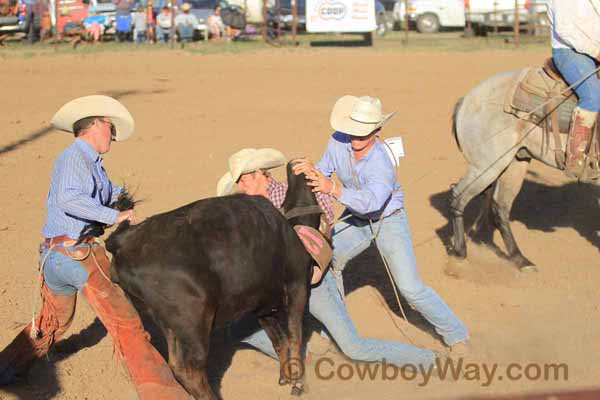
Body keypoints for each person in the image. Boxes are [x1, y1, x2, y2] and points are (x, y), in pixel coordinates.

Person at [0, 96, 189, 400]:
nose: (113, 135)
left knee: (54, 320)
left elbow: (101, 192)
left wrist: (119, 197)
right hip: (80, 256)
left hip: (54, 257)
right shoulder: (75, 158)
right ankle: (165, 395)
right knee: (126, 322)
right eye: (110, 128)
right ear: (96, 125)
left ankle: (5, 369)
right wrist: (114, 215)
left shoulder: (88, 163)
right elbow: (69, 199)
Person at [216, 148, 438, 369]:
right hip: (280, 288)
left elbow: (326, 218)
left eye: (244, 180)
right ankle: (301, 354)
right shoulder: (251, 212)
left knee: (354, 348)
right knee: (237, 327)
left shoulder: (291, 193)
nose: (240, 187)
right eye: (238, 182)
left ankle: (427, 360)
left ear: (261, 174)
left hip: (315, 285)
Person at [292, 95, 469, 352]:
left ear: (377, 132)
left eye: (362, 134)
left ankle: (457, 335)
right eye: (352, 131)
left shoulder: (381, 162)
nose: (354, 139)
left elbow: (372, 203)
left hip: (388, 220)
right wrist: (312, 170)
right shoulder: (337, 141)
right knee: (328, 261)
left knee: (410, 288)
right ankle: (336, 331)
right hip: (356, 218)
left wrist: (333, 189)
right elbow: (325, 168)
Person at [548, 0, 600, 179]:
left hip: (594, 50)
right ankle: (576, 156)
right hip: (569, 52)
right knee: (593, 96)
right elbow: (565, 30)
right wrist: (597, 51)